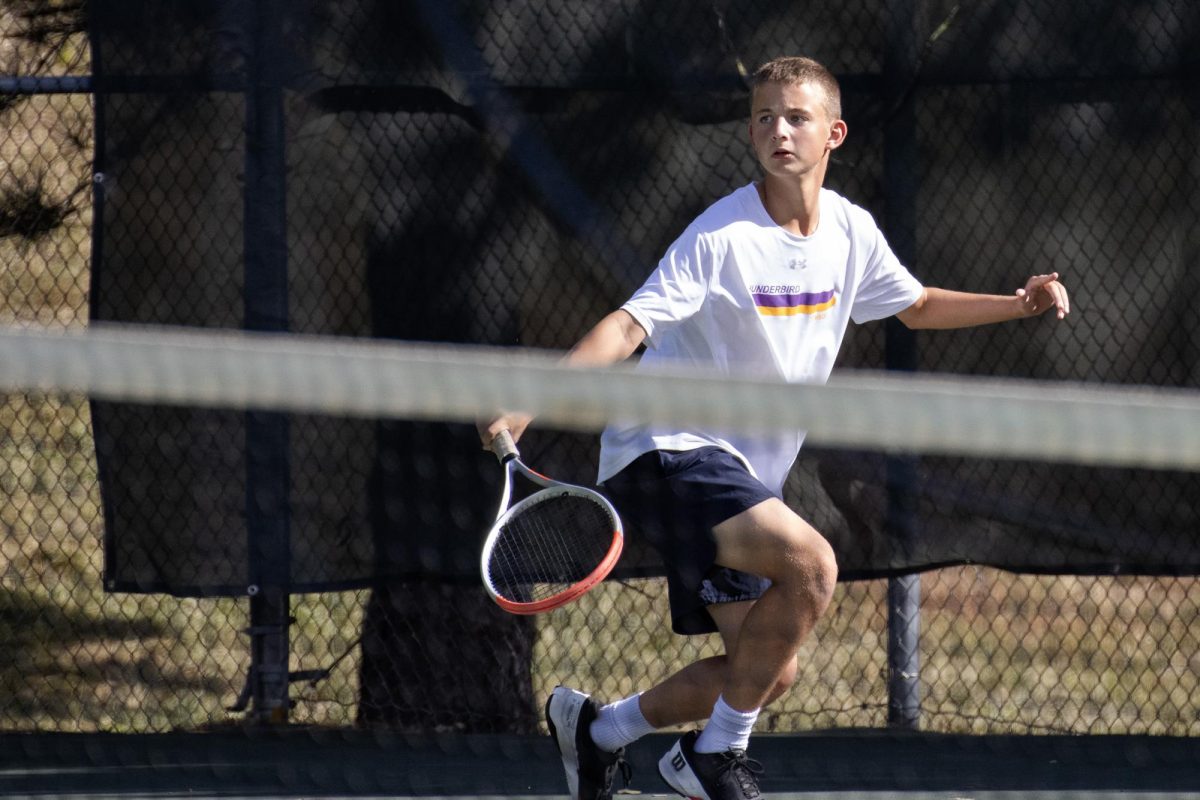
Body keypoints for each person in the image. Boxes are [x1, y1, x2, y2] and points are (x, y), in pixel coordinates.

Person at [478, 55, 1069, 800]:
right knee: (814, 564)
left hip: (740, 474)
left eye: (796, 117)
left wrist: (1018, 304)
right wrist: (530, 403)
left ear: (835, 133)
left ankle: (599, 732)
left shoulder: (852, 231)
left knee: (766, 669)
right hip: (668, 447)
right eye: (764, 117)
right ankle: (711, 759)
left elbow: (915, 304)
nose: (778, 130)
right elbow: (629, 326)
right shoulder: (720, 235)